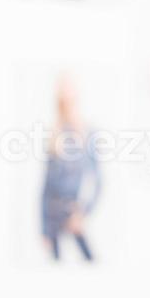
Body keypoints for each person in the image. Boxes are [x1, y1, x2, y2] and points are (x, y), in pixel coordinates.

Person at [40, 76, 101, 263]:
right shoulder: (54, 134)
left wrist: (82, 212)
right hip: (52, 216)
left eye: (70, 97)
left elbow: (98, 182)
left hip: (74, 212)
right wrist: (43, 229)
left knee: (91, 262)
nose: (68, 103)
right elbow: (45, 187)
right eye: (63, 99)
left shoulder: (89, 133)